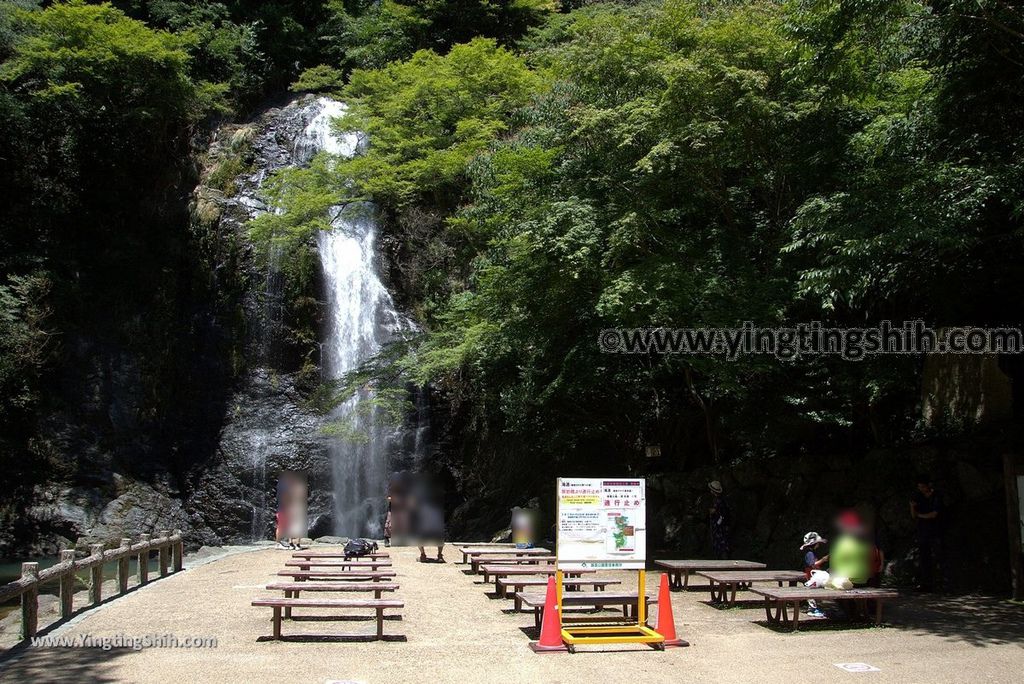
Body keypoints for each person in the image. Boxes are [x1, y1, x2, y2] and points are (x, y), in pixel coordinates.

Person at [910, 475, 943, 592]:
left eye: (923, 486)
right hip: (923, 530)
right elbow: (913, 515)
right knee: (924, 557)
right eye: (920, 487)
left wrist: (920, 516)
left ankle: (941, 582)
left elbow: (934, 514)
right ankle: (926, 584)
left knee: (939, 555)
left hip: (936, 529)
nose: (921, 489)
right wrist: (913, 508)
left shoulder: (936, 496)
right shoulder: (918, 496)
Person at [800, 531, 829, 617]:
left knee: (815, 594)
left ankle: (815, 608)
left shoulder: (809, 552)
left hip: (812, 576)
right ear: (814, 544)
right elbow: (812, 564)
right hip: (810, 576)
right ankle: (812, 610)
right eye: (818, 543)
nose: (819, 545)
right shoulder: (809, 553)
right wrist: (823, 560)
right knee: (811, 595)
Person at [708, 481, 731, 559]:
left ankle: (722, 559)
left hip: (719, 525)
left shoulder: (719, 501)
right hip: (722, 524)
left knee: (721, 544)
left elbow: (719, 512)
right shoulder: (721, 500)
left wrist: (713, 511)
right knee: (722, 543)